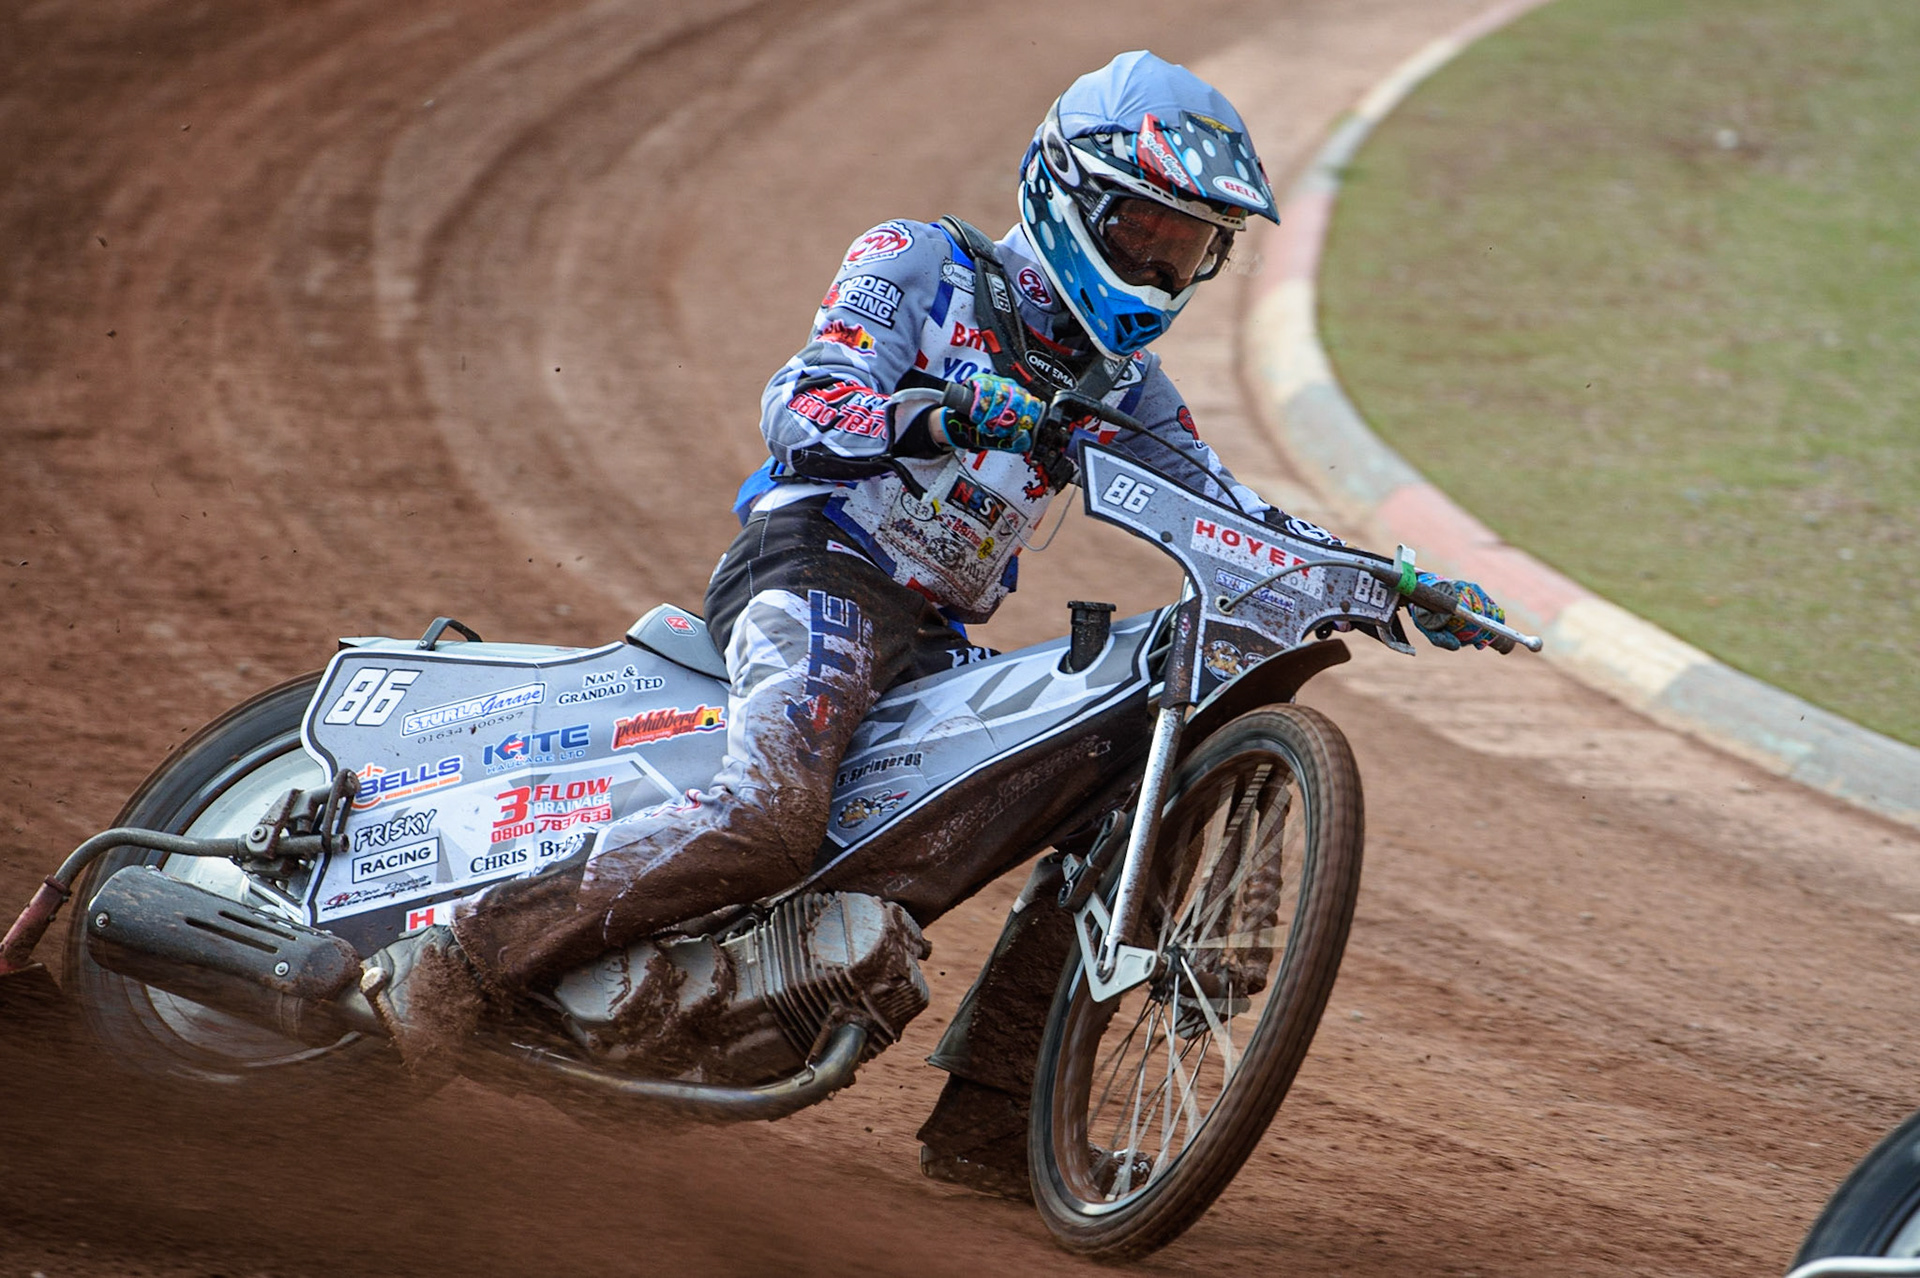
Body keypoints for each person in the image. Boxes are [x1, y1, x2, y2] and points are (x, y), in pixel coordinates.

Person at [360, 51, 1505, 1160]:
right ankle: (458, 959)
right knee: (770, 814)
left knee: (1100, 795)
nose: (1160, 269)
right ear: (1068, 193)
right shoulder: (922, 261)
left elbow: (1230, 514)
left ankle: (997, 1127)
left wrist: (1382, 579)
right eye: (1144, 231)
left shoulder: (1130, 392)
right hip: (818, 572)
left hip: (934, 645)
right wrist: (953, 413)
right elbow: (803, 405)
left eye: (1189, 247)